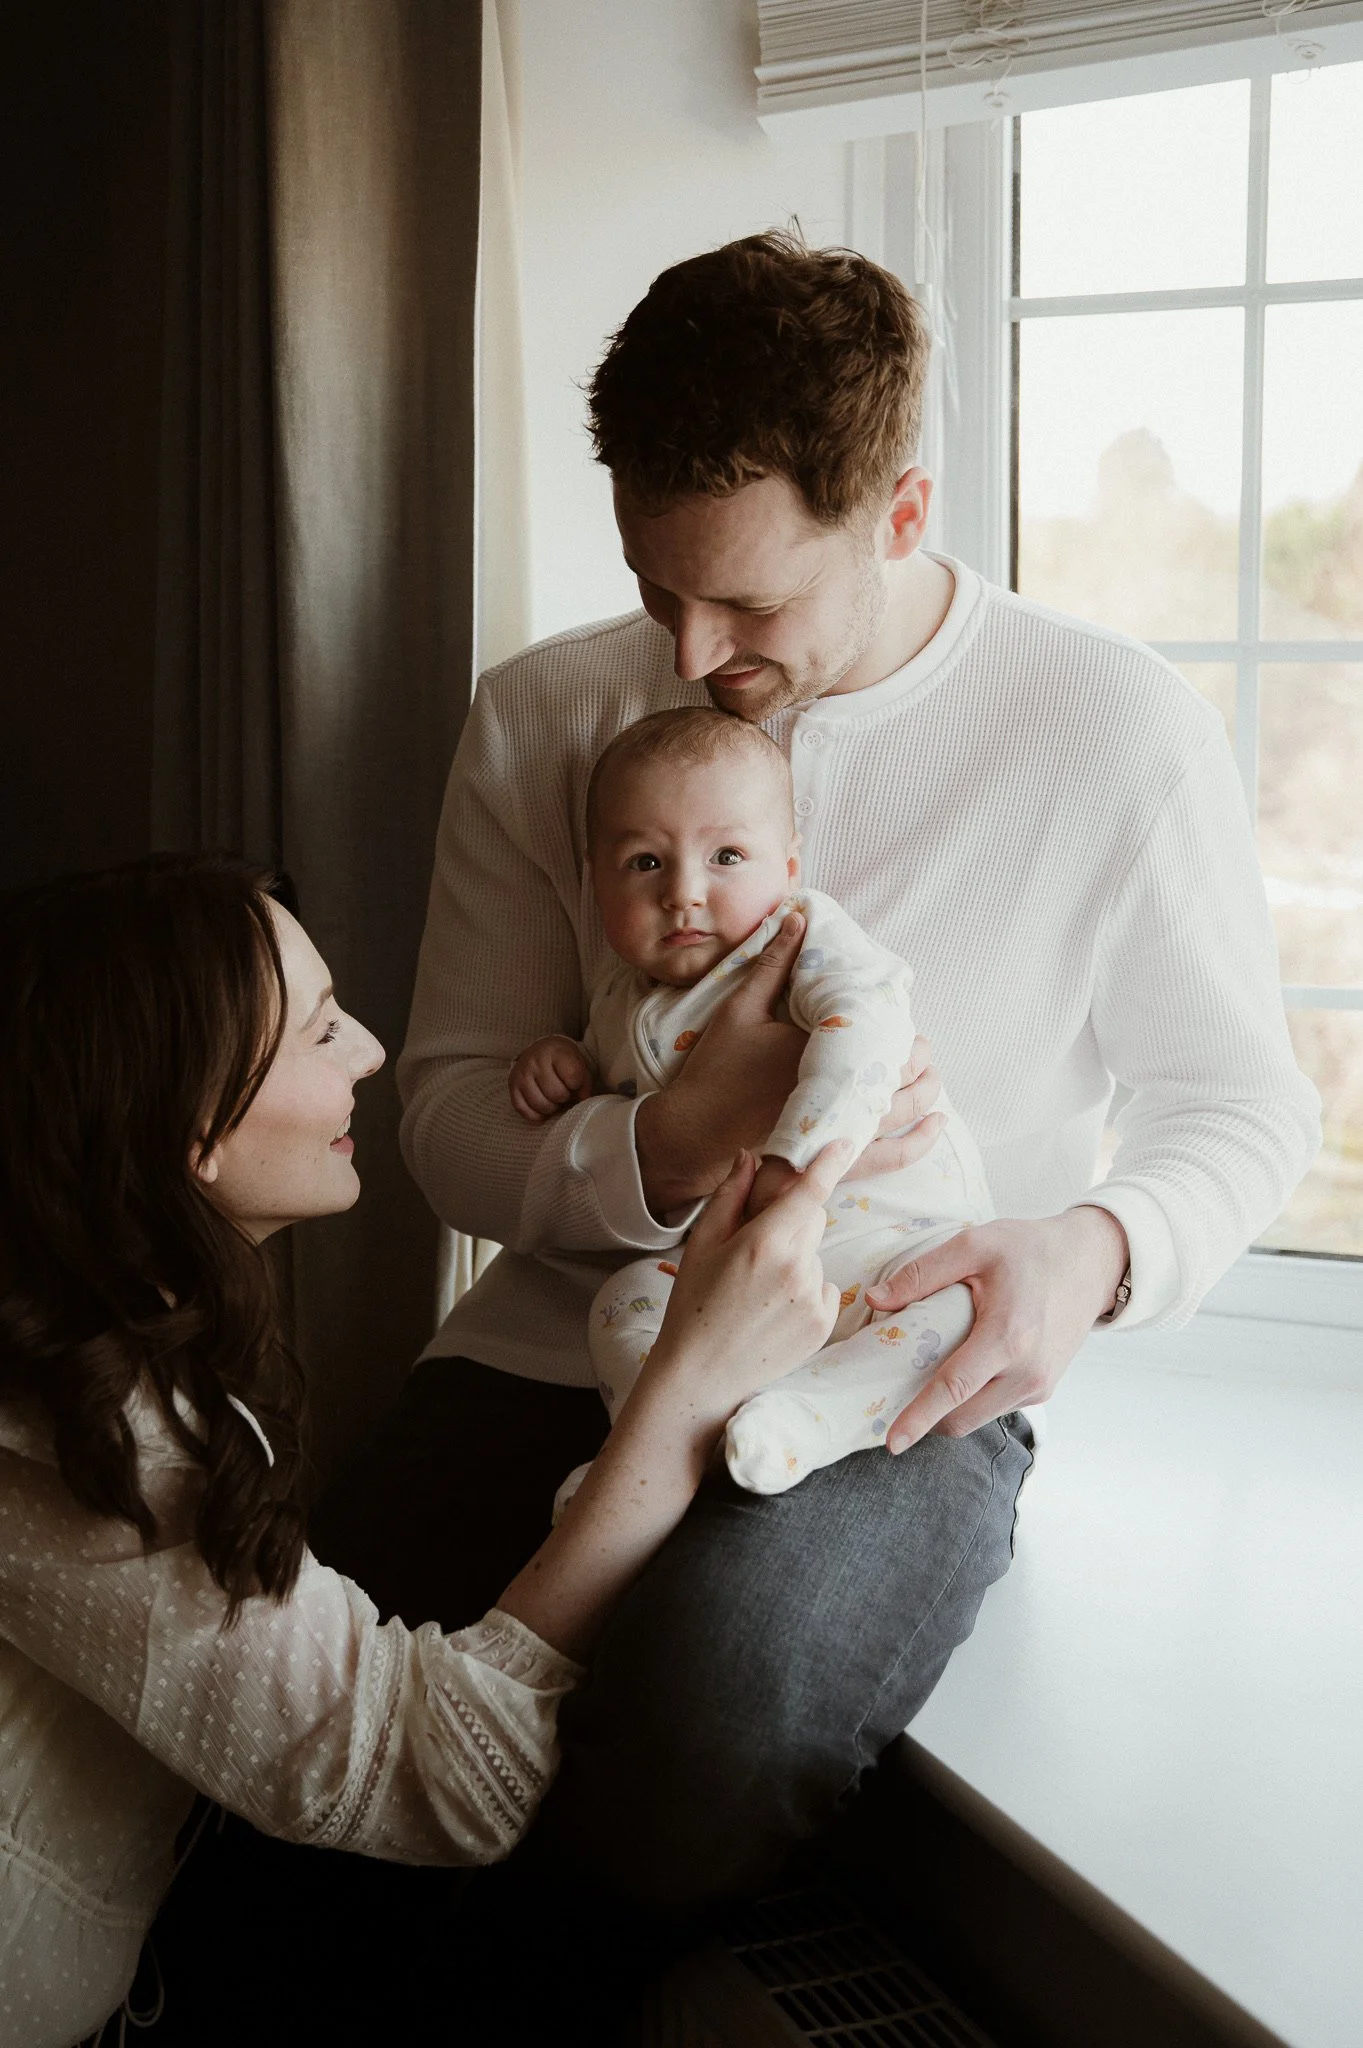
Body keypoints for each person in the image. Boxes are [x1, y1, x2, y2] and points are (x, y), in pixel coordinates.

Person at [314, 231, 1317, 1930]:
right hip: (565, 1338)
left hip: (887, 1357)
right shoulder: (537, 717)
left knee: (713, 1716)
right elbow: (448, 1116)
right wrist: (669, 1139)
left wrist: (1090, 1249)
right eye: (655, 588)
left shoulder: (1113, 728)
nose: (687, 652)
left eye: (749, 603)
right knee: (330, 1648)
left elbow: (1240, 1104)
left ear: (900, 514)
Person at [0, 853, 846, 2048]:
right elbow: (443, 1776)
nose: (370, 1051)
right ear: (191, 1128)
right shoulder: (86, 1438)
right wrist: (684, 1387)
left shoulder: (103, 1340)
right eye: (321, 1029)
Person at [510, 705, 992, 1503]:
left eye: (726, 856)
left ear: (789, 866)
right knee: (622, 1302)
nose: (683, 894)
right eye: (643, 863)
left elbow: (865, 1027)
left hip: (891, 1248)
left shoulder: (803, 938)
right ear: (594, 879)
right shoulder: (616, 997)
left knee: (960, 1313)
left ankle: (804, 1422)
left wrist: (794, 1166)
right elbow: (621, 1109)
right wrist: (565, 1066)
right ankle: (660, 1445)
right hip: (734, 1287)